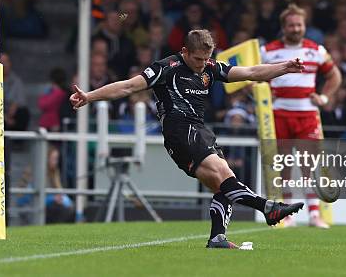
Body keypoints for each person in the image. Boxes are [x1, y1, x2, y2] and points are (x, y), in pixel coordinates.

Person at [71, 29, 304, 249]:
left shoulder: (210, 68)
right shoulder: (166, 68)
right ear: (184, 52)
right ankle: (268, 208)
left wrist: (284, 67)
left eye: (206, 59)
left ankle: (218, 238)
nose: (202, 65)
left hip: (199, 131)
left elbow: (251, 73)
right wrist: (89, 96)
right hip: (180, 132)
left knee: (224, 184)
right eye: (197, 59)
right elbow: (128, 86)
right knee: (224, 176)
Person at [261, 4, 342, 229]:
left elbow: (335, 76)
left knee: (310, 164)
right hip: (279, 115)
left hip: (307, 114)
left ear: (305, 26)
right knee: (284, 163)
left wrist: (324, 98)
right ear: (283, 27)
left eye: (299, 24)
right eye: (291, 25)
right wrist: (263, 98)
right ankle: (287, 214)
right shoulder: (268, 51)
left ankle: (314, 215)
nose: (296, 29)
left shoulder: (316, 50)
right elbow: (254, 78)